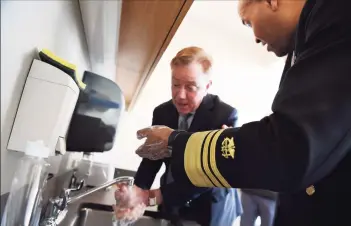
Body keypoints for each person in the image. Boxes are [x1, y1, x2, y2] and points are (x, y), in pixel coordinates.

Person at [133, 0, 351, 226]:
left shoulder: (337, 12)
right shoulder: (302, 45)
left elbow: (288, 147)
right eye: (175, 85)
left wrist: (174, 142)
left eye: (248, 23)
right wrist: (139, 192)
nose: (255, 38)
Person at [114, 47, 242, 226]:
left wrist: (152, 197)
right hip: (171, 205)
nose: (180, 96)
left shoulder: (224, 115)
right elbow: (152, 158)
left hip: (210, 208)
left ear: (207, 86)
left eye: (190, 87)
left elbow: (209, 175)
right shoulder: (162, 112)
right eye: (175, 85)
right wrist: (137, 192)